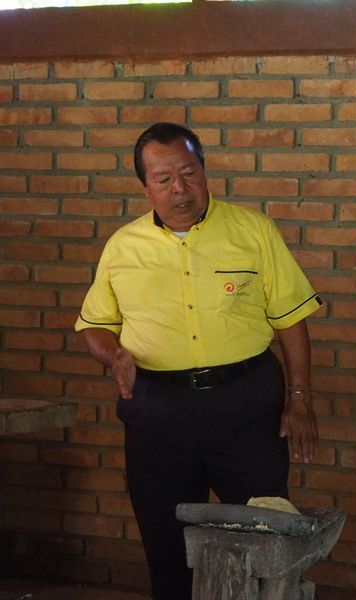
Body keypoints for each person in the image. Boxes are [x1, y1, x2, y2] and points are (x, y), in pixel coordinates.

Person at [75, 122, 322, 600]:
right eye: (164, 178)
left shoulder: (253, 231)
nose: (179, 188)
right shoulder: (124, 247)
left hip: (246, 408)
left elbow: (292, 321)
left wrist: (300, 398)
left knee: (262, 538)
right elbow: (94, 324)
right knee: (166, 548)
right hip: (158, 414)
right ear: (145, 186)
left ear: (205, 171)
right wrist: (115, 354)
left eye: (189, 173)